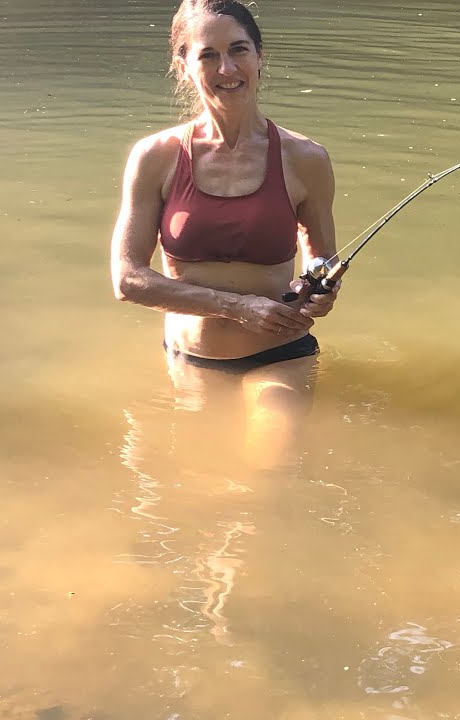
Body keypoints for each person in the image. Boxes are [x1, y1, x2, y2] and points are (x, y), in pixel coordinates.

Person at [111, 0, 338, 468]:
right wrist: (238, 307)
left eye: (238, 50)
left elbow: (321, 260)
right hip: (189, 363)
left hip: (279, 357)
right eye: (208, 54)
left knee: (268, 475)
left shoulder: (306, 158)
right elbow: (127, 279)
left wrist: (321, 291)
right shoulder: (155, 156)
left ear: (259, 56)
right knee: (190, 494)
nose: (227, 67)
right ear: (184, 65)